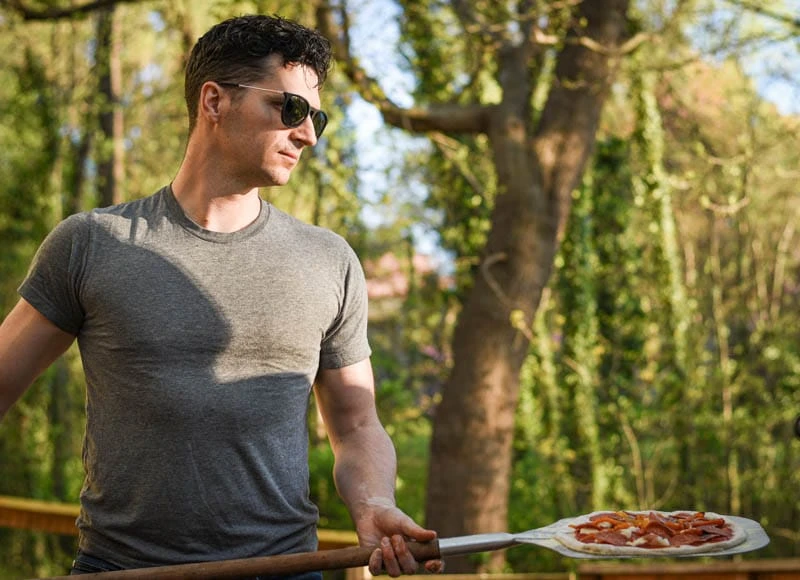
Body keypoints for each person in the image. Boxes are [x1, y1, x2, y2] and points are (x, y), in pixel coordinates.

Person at [0, 14, 442, 578]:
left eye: (316, 117)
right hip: (122, 570)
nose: (307, 134)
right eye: (291, 109)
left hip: (285, 571)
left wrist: (374, 502)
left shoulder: (329, 260)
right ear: (214, 101)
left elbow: (356, 426)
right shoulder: (91, 244)